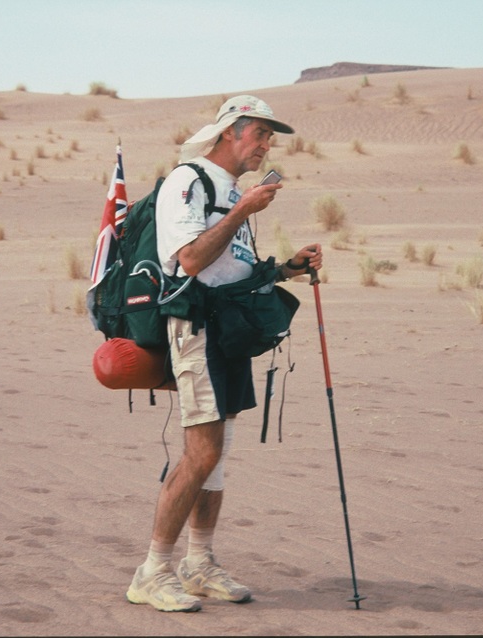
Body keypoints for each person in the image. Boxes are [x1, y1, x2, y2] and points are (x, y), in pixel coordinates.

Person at [126, 95, 323, 612]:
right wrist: (242, 210)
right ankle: (153, 571)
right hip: (196, 331)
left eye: (270, 138)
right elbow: (189, 259)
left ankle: (199, 564)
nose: (267, 146)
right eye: (260, 134)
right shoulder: (187, 182)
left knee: (218, 453)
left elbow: (230, 270)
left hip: (229, 334)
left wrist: (285, 270)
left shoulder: (230, 190)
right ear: (232, 131)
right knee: (203, 452)